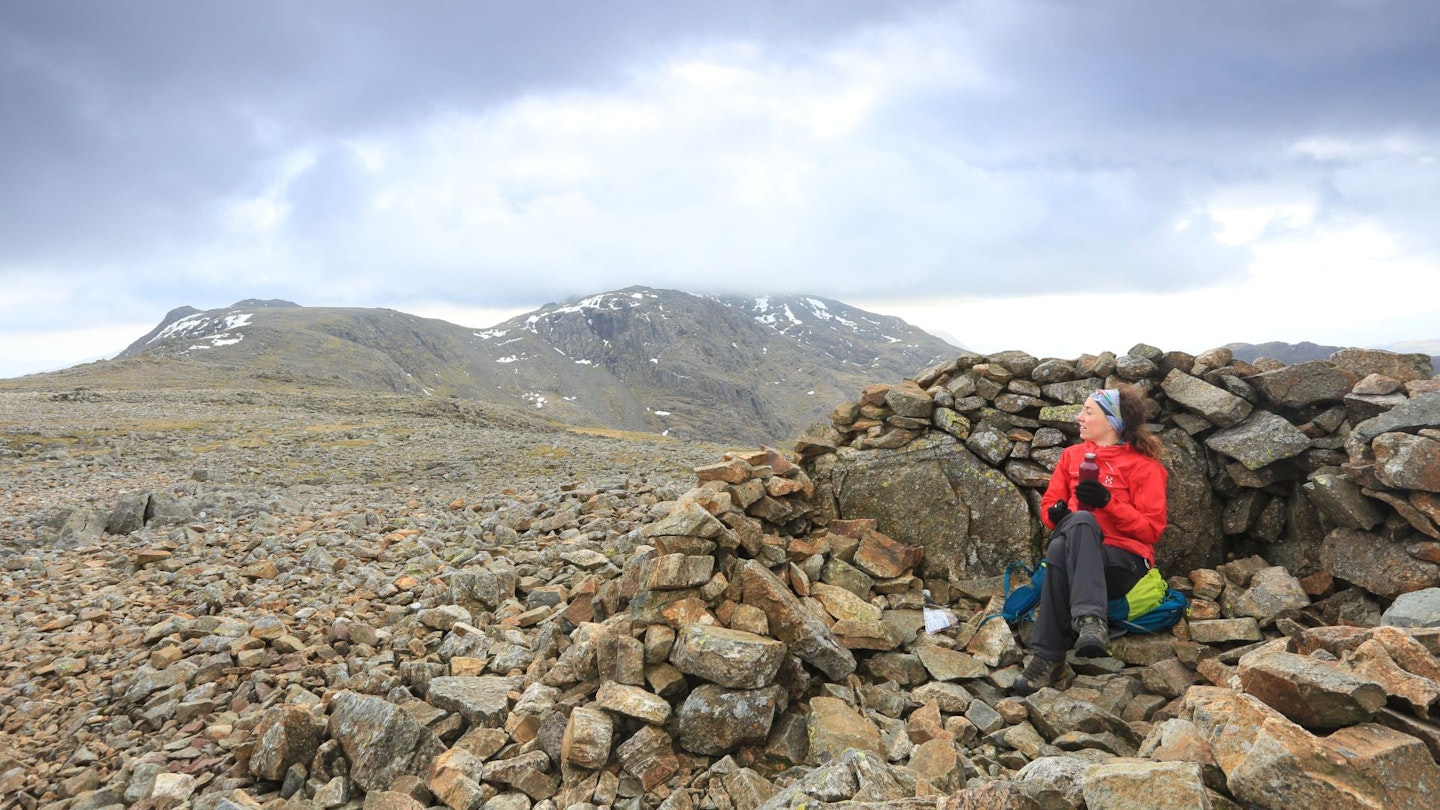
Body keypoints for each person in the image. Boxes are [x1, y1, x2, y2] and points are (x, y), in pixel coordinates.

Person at [1012, 384, 1168, 696]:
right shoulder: (1071, 457)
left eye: (1088, 411)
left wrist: (1109, 502)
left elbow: (1152, 530)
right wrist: (1055, 515)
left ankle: (1047, 657)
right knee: (1071, 530)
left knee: (1064, 541)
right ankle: (1089, 623)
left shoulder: (1144, 466)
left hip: (1123, 566)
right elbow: (1048, 508)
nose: (1078, 416)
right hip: (1075, 555)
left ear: (1111, 422)